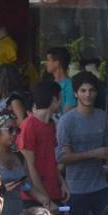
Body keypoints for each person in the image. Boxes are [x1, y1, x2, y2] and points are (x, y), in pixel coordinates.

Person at [56, 72, 108, 215]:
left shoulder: (102, 116)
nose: (88, 95)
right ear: (76, 93)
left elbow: (107, 147)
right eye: (83, 90)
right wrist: (93, 154)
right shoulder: (67, 121)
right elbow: (62, 157)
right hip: (76, 187)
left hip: (100, 184)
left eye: (91, 90)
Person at [20, 80, 66, 208]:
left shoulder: (51, 124)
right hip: (36, 198)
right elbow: (29, 167)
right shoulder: (29, 125)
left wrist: (62, 182)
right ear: (54, 99)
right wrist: (44, 198)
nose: (62, 101)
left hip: (54, 192)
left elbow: (52, 160)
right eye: (60, 97)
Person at [0, 110, 42, 215]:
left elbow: (28, 186)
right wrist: (0, 190)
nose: (14, 134)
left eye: (17, 130)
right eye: (10, 130)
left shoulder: (20, 157)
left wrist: (46, 201)